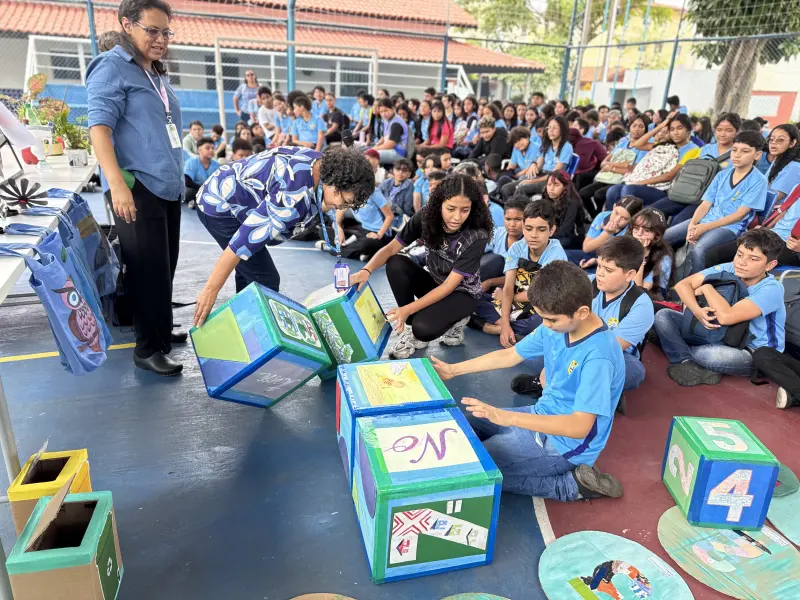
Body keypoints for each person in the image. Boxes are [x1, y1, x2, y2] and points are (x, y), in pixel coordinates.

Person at [431, 260, 625, 502]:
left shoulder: (599, 356)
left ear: (582, 312)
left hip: (565, 444)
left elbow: (579, 426)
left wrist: (508, 417)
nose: (545, 326)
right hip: (540, 413)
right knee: (465, 428)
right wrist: (453, 370)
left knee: (473, 467)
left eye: (551, 320)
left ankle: (570, 486)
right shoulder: (557, 324)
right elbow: (511, 354)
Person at [87, 0, 185, 376]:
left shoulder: (155, 72)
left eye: (166, 32)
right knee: (145, 268)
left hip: (167, 183)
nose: (161, 40)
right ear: (127, 24)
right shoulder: (112, 67)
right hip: (136, 185)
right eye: (152, 31)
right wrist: (117, 186)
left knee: (165, 265)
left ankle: (160, 330)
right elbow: (100, 129)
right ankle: (147, 348)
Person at [194, 147, 374, 324]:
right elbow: (240, 244)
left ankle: (243, 322)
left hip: (235, 192)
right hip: (220, 206)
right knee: (265, 279)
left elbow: (321, 202)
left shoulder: (322, 164)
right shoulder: (292, 198)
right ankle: (251, 329)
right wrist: (210, 290)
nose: (343, 208)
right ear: (335, 183)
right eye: (345, 202)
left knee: (250, 272)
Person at [350, 174, 493, 358]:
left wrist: (408, 308)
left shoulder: (477, 235)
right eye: (451, 209)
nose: (457, 217)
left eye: (465, 210)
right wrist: (366, 270)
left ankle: (457, 318)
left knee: (423, 329)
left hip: (462, 293)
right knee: (396, 263)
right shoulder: (426, 217)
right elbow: (392, 248)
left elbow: (450, 286)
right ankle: (410, 325)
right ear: (439, 203)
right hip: (435, 282)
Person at [654, 229, 785, 387]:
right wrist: (697, 310)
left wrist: (707, 288)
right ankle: (686, 362)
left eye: (753, 259)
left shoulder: (771, 289)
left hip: (754, 352)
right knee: (663, 316)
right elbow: (683, 285)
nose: (742, 262)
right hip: (720, 333)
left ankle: (683, 352)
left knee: (707, 354)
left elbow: (726, 316)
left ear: (770, 265)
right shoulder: (732, 267)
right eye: (740, 254)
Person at [664, 131, 768, 275]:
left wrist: (704, 227)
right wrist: (693, 224)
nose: (737, 155)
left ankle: (697, 289)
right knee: (664, 237)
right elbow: (705, 204)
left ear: (757, 155)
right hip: (706, 221)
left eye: (745, 151)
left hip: (730, 227)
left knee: (700, 249)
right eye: (734, 150)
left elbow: (740, 214)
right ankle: (663, 281)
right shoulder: (722, 175)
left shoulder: (759, 180)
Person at [472, 200, 567, 344]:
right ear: (523, 227)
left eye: (541, 230)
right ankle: (505, 325)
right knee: (472, 297)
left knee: (542, 322)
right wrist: (505, 325)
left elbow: (541, 294)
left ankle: (489, 327)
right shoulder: (517, 248)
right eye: (529, 228)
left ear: (552, 230)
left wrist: (507, 298)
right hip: (515, 301)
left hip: (539, 303)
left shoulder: (556, 253)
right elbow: (508, 286)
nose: (533, 235)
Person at [651, 112, 742, 224]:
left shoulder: (738, 154)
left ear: (737, 132)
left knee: (678, 221)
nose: (722, 134)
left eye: (728, 130)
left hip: (708, 201)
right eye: (719, 130)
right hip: (690, 192)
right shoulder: (705, 149)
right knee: (651, 212)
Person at [605, 112, 699, 209]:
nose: (675, 133)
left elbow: (669, 176)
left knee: (629, 189)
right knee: (613, 190)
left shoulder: (692, 149)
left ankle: (625, 221)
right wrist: (661, 125)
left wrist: (641, 182)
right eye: (671, 129)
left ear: (688, 130)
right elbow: (638, 144)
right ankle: (612, 219)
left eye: (679, 128)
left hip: (664, 189)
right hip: (648, 184)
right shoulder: (666, 145)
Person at [579, 113, 651, 216]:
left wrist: (611, 167)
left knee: (599, 195)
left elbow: (632, 170)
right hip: (608, 177)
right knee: (583, 193)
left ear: (646, 129)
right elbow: (603, 163)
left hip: (622, 180)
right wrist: (621, 165)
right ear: (629, 126)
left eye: (641, 126)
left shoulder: (645, 147)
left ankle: (601, 216)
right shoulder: (623, 142)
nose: (636, 129)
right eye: (634, 125)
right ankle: (595, 216)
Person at [319, 176, 394, 262]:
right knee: (323, 231)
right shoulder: (349, 194)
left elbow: (389, 216)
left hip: (379, 234)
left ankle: (332, 249)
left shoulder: (374, 192)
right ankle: (360, 253)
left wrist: (379, 234)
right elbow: (337, 220)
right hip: (361, 230)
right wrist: (339, 230)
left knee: (364, 244)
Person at [515, 116, 573, 196]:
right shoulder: (547, 144)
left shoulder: (566, 147)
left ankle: (521, 207)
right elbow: (539, 164)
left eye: (555, 128)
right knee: (510, 186)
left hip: (552, 180)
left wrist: (531, 181)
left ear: (562, 130)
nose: (551, 131)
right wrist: (534, 164)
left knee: (522, 188)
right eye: (549, 128)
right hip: (542, 174)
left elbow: (554, 174)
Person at [575, 195, 643, 263]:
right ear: (614, 206)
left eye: (624, 218)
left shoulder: (632, 230)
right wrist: (606, 234)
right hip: (593, 254)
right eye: (616, 213)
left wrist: (608, 234)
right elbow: (586, 248)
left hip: (611, 263)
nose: (616, 220)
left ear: (632, 219)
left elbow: (620, 260)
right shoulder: (602, 216)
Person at [481, 196, 527, 286]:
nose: (512, 224)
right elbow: (481, 247)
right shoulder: (498, 233)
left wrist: (490, 282)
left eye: (518, 219)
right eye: (508, 219)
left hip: (514, 284)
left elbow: (522, 276)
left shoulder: (530, 242)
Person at [627, 208, 673, 300]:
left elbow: (637, 291)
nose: (639, 234)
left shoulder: (664, 258)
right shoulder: (626, 242)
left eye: (646, 230)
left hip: (649, 298)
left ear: (657, 235)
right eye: (636, 228)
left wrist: (642, 257)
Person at [539, 169, 586, 249]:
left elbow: (565, 231)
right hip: (552, 234)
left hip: (572, 237)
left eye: (556, 185)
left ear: (565, 187)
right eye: (549, 184)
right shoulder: (546, 199)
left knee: (558, 243)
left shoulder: (572, 203)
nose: (551, 188)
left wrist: (544, 237)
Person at [498, 126, 541, 202]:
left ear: (527, 137)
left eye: (520, 140)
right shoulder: (516, 149)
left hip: (532, 176)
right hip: (520, 175)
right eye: (515, 142)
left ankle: (514, 205)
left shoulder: (536, 147)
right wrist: (506, 172)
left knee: (509, 187)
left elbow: (530, 168)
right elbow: (512, 165)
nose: (517, 144)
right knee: (502, 179)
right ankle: (503, 202)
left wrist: (516, 175)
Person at [569, 123, 608, 191]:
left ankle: (578, 198)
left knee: (579, 176)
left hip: (601, 169)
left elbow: (583, 164)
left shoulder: (583, 144)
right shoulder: (575, 143)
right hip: (593, 167)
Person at [183, 137, 218, 209]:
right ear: (200, 150)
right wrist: (203, 189)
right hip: (195, 189)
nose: (211, 150)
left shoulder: (216, 164)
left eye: (213, 148)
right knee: (190, 192)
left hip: (209, 191)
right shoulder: (192, 162)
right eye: (207, 148)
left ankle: (198, 203)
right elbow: (187, 182)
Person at [372, 98, 409, 163]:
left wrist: (375, 148)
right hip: (390, 150)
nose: (383, 114)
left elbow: (390, 145)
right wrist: (376, 145)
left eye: (385, 111)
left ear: (393, 109)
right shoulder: (387, 119)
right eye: (381, 112)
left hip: (398, 152)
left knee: (370, 157)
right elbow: (385, 137)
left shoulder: (396, 123)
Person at [380, 158, 414, 224]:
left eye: (404, 171)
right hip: (382, 212)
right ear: (393, 170)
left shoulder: (409, 185)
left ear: (409, 174)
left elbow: (406, 209)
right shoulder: (386, 182)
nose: (400, 172)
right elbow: (377, 195)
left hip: (396, 216)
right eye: (398, 169)